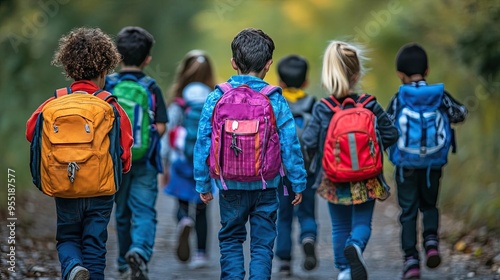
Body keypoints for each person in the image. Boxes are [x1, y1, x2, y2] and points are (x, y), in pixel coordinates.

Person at [193, 28, 307, 280]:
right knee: (262, 243)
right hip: (267, 186)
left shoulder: (217, 96)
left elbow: (203, 141)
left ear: (233, 63)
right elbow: (290, 144)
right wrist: (298, 183)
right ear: (268, 65)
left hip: (229, 185)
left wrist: (202, 182)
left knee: (231, 238)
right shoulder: (274, 98)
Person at [26, 27, 133, 280]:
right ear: (105, 69)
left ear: (69, 67)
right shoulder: (110, 104)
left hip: (65, 184)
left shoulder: (53, 104)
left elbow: (32, 132)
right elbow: (124, 148)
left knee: (68, 237)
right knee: (95, 243)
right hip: (101, 189)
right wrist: (121, 169)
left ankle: (73, 267)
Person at [302, 41, 398, 280]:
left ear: (327, 75)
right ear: (357, 75)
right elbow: (391, 134)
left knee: (339, 227)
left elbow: (309, 143)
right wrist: (374, 151)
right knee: (362, 222)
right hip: (368, 177)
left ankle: (344, 270)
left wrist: (306, 171)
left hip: (333, 178)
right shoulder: (369, 104)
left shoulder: (323, 108)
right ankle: (355, 245)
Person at [386, 43, 468, 280]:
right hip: (433, 163)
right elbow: (460, 113)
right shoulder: (439, 95)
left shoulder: (399, 98)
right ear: (428, 70)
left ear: (400, 74)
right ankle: (431, 242)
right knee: (430, 205)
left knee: (408, 212)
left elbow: (388, 126)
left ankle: (411, 260)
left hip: (405, 166)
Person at [105, 26, 168, 280]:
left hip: (116, 162)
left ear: (117, 57)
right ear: (147, 59)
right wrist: (144, 139)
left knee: (121, 213)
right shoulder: (151, 87)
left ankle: (122, 263)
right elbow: (161, 125)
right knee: (144, 210)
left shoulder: (108, 86)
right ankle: (140, 251)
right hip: (144, 161)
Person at [162, 50, 216, 268]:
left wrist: (164, 163)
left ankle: (184, 219)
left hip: (180, 161)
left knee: (182, 202)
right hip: (205, 163)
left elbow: (167, 134)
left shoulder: (179, 102)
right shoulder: (215, 99)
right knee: (203, 209)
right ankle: (201, 255)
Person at [274, 55, 318, 275]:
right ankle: (308, 237)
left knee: (283, 214)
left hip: (281, 173)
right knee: (307, 211)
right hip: (308, 170)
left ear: (280, 82)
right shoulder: (313, 105)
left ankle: (283, 260)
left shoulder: (276, 103)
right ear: (306, 82)